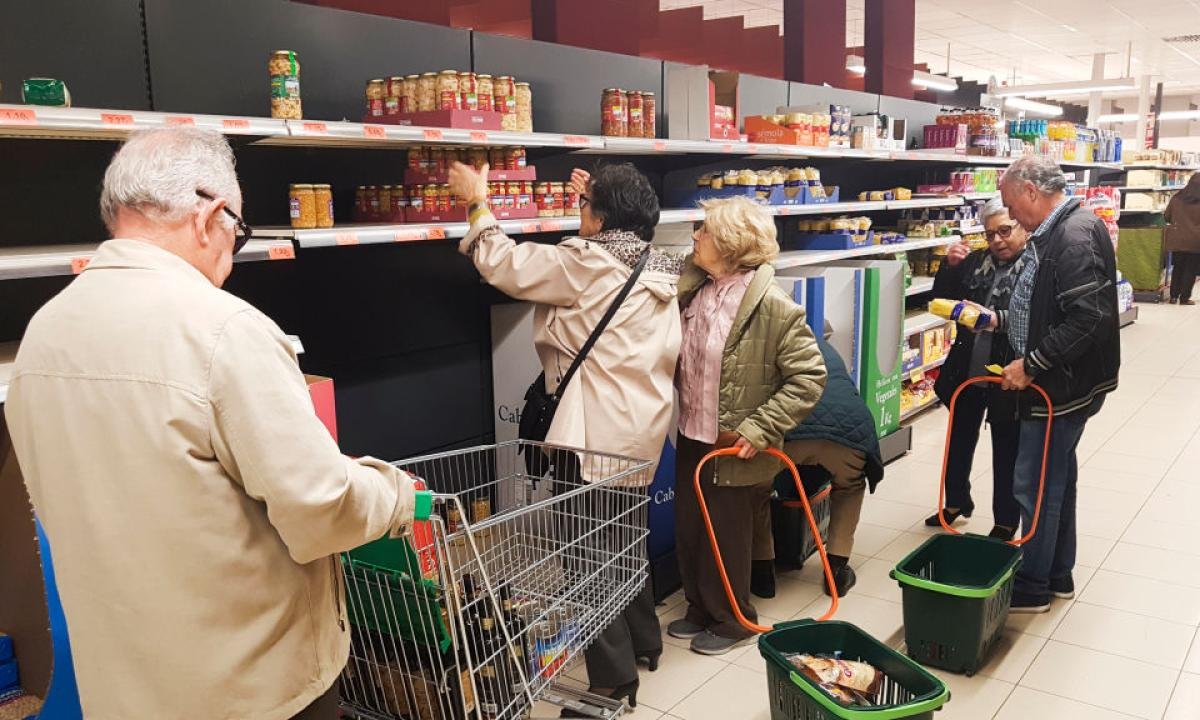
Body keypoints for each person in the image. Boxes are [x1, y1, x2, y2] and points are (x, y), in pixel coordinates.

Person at [4, 128, 419, 720]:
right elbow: (319, 507)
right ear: (212, 217)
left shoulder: (43, 334)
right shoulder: (223, 330)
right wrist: (393, 493)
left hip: (119, 690)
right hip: (249, 694)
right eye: (237, 232)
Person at [448, 161, 682, 710]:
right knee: (623, 541)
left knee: (585, 555)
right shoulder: (656, 263)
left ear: (600, 219)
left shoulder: (588, 264)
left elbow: (504, 264)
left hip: (591, 433)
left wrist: (477, 202)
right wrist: (596, 205)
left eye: (584, 206)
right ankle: (644, 641)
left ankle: (612, 678)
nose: (579, 214)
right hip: (641, 428)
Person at [668, 196, 826, 656]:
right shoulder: (696, 289)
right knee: (691, 526)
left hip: (734, 443)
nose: (696, 237)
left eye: (706, 231)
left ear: (733, 243)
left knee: (726, 533)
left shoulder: (773, 306)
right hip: (692, 433)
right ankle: (699, 607)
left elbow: (809, 377)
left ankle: (734, 619)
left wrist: (758, 430)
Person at [990, 155, 1120, 613]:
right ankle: (1056, 573)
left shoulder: (1071, 237)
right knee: (1058, 476)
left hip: (1058, 385)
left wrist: (1032, 363)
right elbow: (1050, 305)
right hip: (1062, 380)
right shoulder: (1061, 231)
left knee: (1035, 483)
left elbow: (1090, 318)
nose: (1009, 216)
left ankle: (1031, 587)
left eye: (1010, 204)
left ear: (1030, 191)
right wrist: (1002, 319)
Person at [923, 197, 1030, 541]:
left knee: (1006, 448)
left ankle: (1005, 519)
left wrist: (997, 321)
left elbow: (1037, 320)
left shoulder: (1035, 267)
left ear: (1022, 227)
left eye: (1004, 231)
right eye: (990, 234)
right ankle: (955, 501)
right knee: (959, 439)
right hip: (967, 367)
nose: (997, 240)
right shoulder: (974, 263)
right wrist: (950, 268)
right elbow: (943, 299)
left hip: (1008, 372)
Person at [758, 333, 884, 598]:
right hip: (850, 430)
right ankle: (837, 569)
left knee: (757, 491)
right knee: (849, 487)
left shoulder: (767, 342)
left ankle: (763, 572)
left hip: (791, 432)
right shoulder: (824, 346)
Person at [1165, 173, 1200, 305]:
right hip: (1196, 241)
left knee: (1178, 267)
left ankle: (1173, 296)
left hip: (1177, 239)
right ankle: (1184, 298)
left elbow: (1167, 216)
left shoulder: (1177, 198)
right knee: (1190, 270)